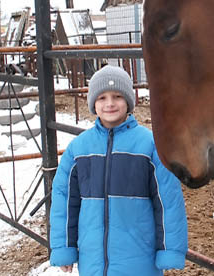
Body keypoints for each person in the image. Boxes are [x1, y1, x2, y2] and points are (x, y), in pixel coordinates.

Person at [49, 65, 188, 275]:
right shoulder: (78, 149)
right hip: (92, 261)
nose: (110, 104)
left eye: (117, 96)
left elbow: (168, 201)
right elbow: (64, 201)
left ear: (129, 101)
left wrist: (170, 250)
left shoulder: (150, 146)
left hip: (139, 260)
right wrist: (64, 248)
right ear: (93, 103)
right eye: (102, 97)